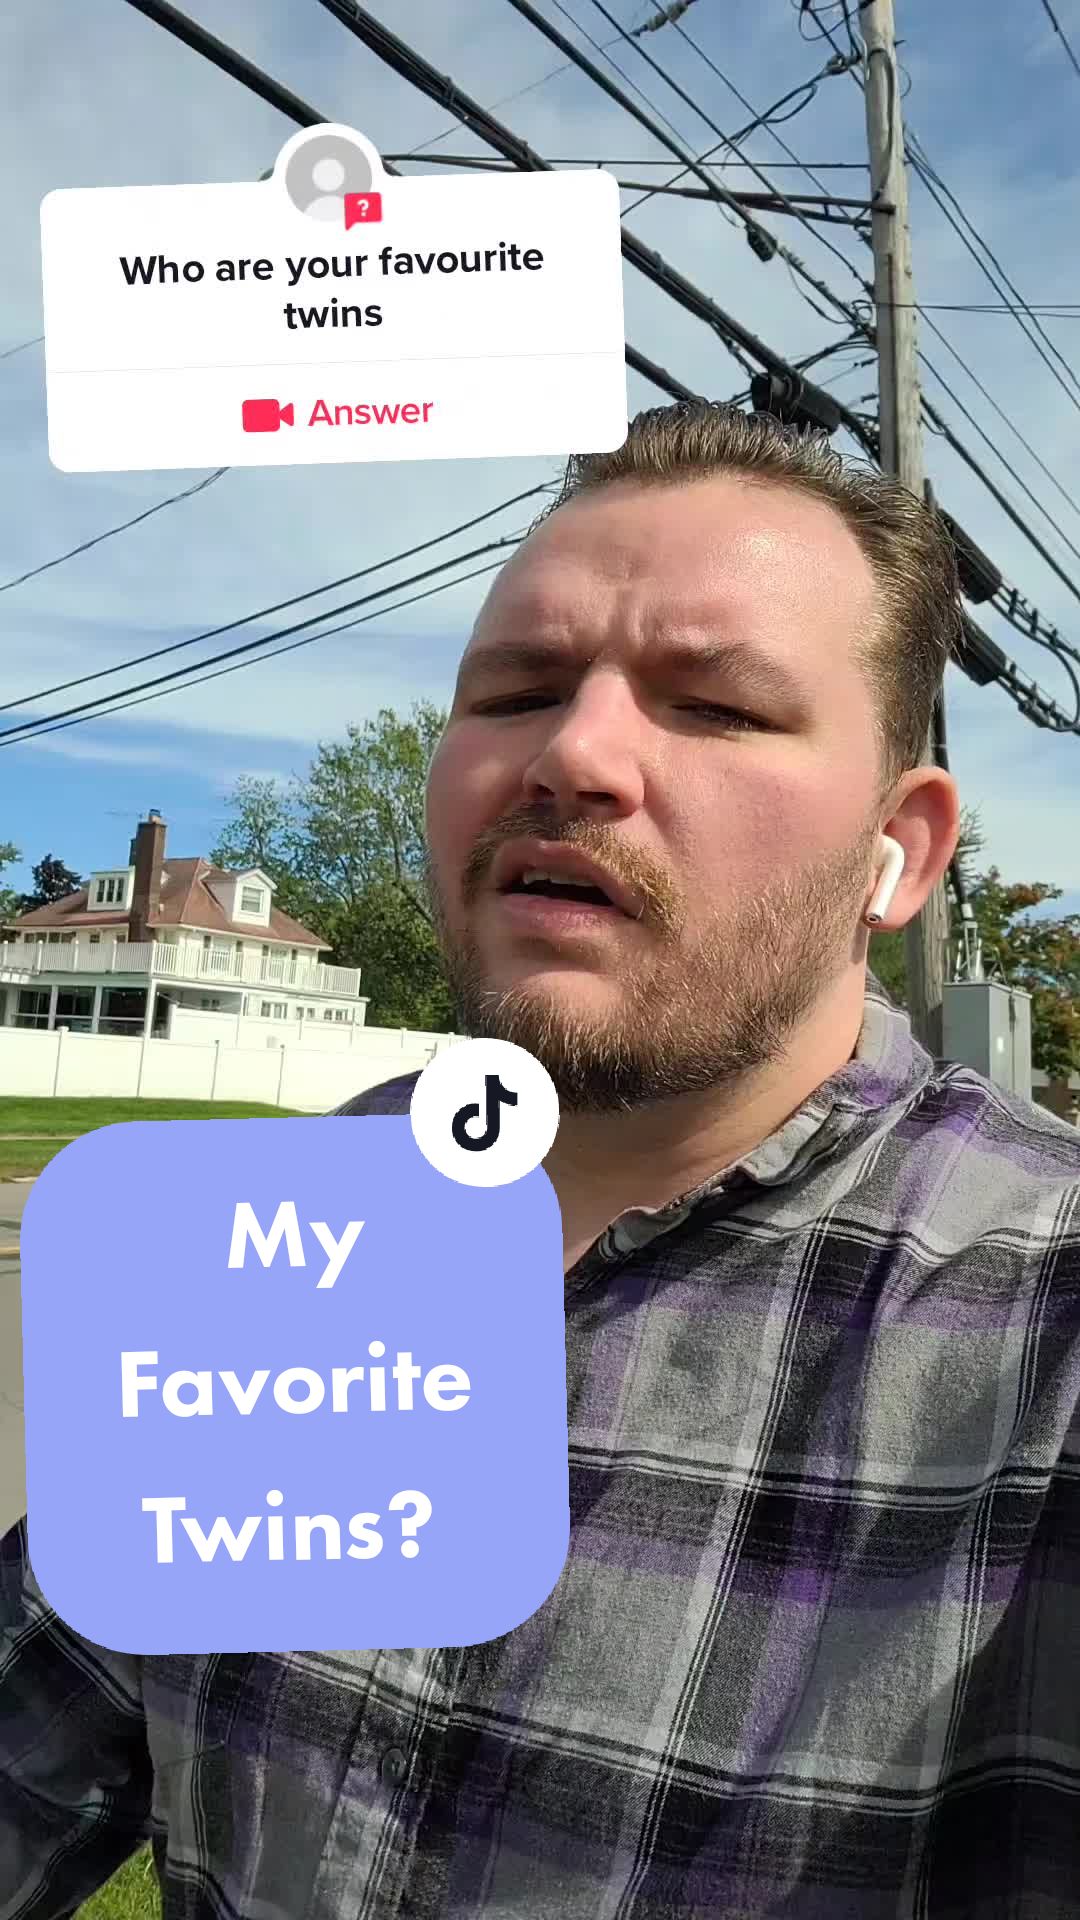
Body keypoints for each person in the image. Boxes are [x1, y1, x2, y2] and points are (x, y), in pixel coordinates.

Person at [3, 403, 1080, 1917]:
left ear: (899, 850)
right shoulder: (286, 1237)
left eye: (717, 705)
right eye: (516, 690)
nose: (572, 754)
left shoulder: (1043, 1333)